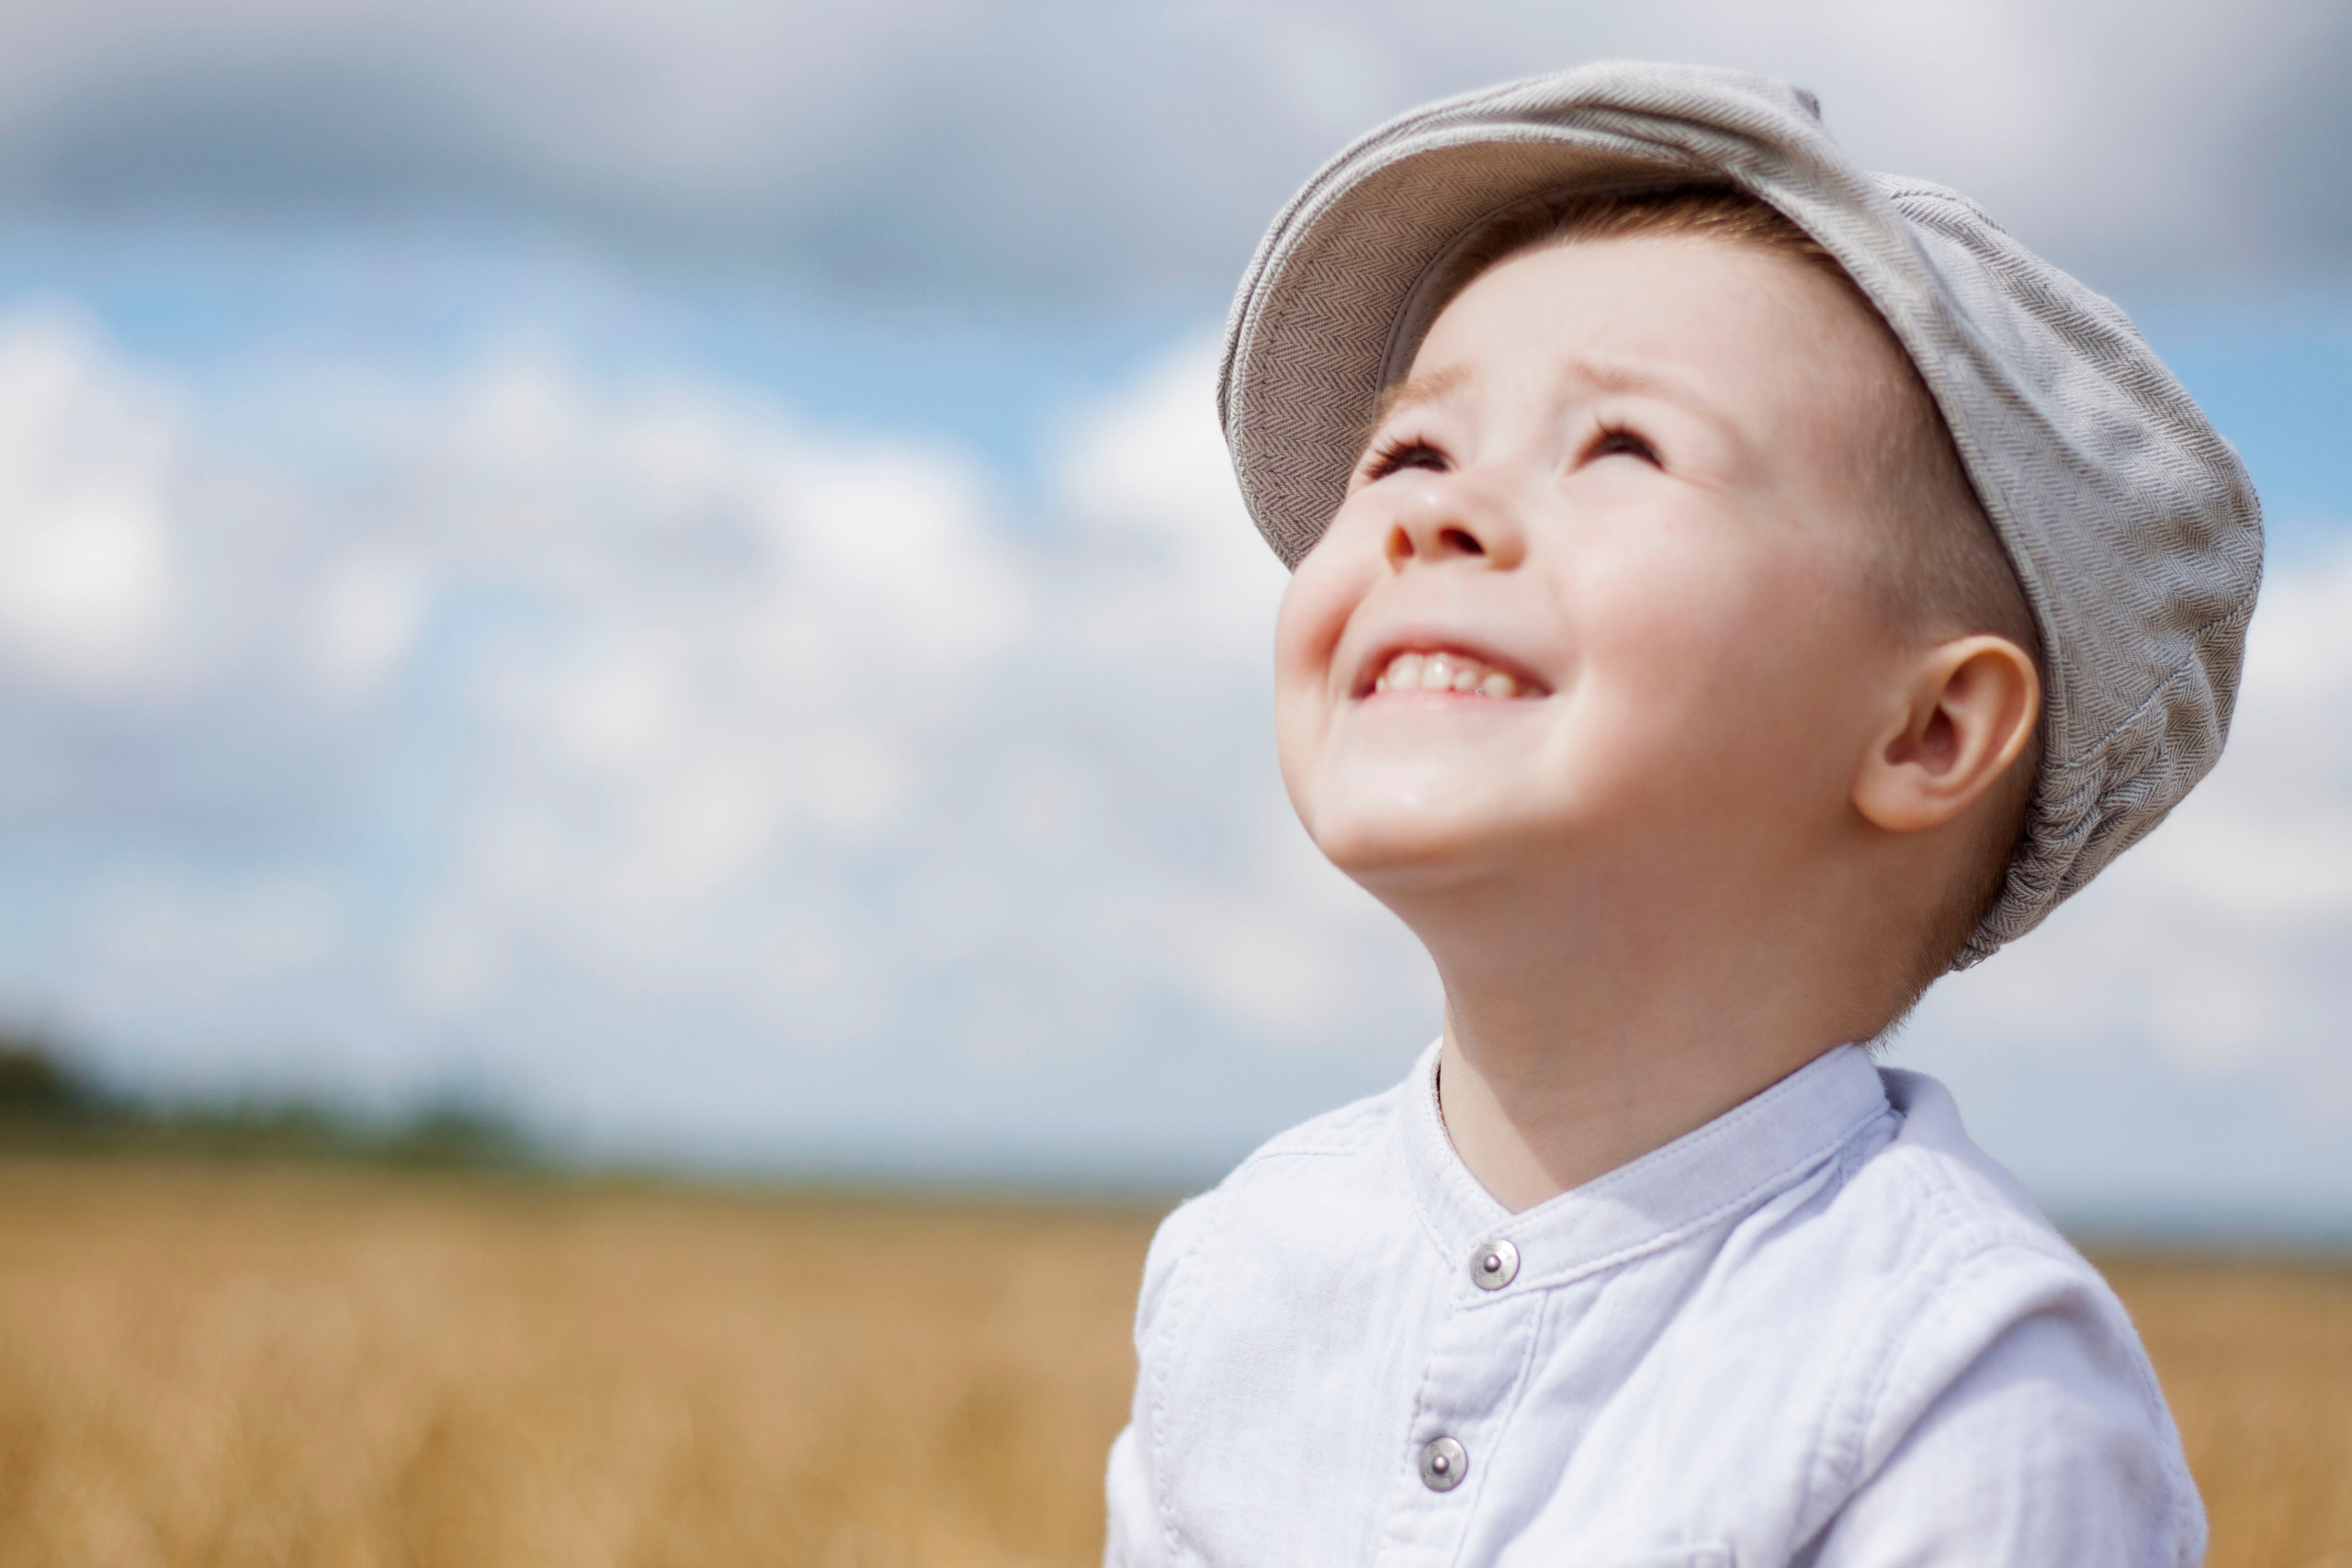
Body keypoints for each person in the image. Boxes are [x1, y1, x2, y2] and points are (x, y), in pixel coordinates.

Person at [1102, 62, 2258, 1567]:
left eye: (1621, 448)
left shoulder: (1961, 1376)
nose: (1425, 512)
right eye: (1411, 450)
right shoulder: (1238, 1273)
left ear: (1927, 730)